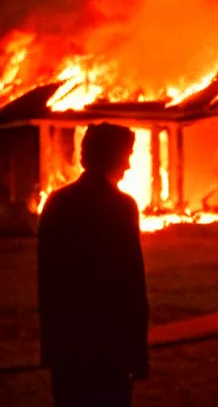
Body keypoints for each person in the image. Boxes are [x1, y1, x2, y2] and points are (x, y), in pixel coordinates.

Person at [37, 123, 149, 407]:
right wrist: (137, 353)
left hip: (68, 347)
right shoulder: (121, 207)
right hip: (108, 347)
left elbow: (47, 282)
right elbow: (132, 284)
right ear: (111, 157)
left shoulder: (57, 202)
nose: (128, 165)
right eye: (126, 155)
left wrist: (52, 349)